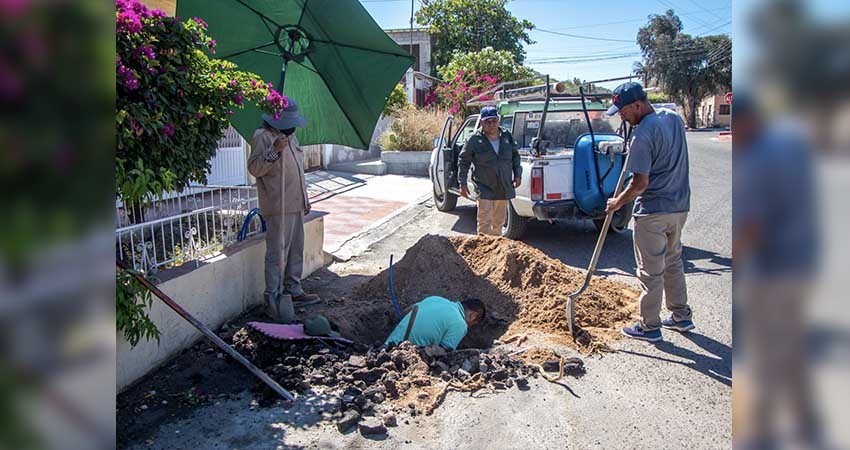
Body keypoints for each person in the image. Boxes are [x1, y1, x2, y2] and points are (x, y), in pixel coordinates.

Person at [603, 82, 692, 342]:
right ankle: (680, 316)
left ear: (638, 104)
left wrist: (617, 203)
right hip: (679, 207)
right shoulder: (673, 118)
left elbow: (640, 183)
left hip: (653, 212)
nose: (621, 115)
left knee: (650, 271)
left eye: (623, 110)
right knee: (673, 261)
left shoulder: (642, 135)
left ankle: (649, 326)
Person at [247, 98, 320, 323]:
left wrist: (305, 198)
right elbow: (255, 168)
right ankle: (273, 297)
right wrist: (274, 151)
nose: (293, 127)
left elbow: (298, 169)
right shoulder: (263, 137)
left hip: (295, 203)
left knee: (296, 249)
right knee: (277, 253)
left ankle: (293, 290)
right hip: (277, 205)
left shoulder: (290, 136)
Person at [457, 106, 522, 236]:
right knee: (484, 220)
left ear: (498, 120)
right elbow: (463, 161)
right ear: (482, 123)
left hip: (503, 185)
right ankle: (483, 248)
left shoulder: (506, 136)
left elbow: (515, 156)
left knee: (499, 221)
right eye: (487, 122)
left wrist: (518, 175)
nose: (491, 124)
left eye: (494, 120)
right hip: (484, 186)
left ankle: (496, 248)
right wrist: (462, 183)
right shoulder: (474, 140)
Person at [384, 296, 486, 351]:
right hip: (406, 357)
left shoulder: (435, 299)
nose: (469, 326)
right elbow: (444, 351)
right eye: (473, 323)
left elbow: (407, 311)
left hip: (387, 347)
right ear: (473, 316)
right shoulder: (460, 324)